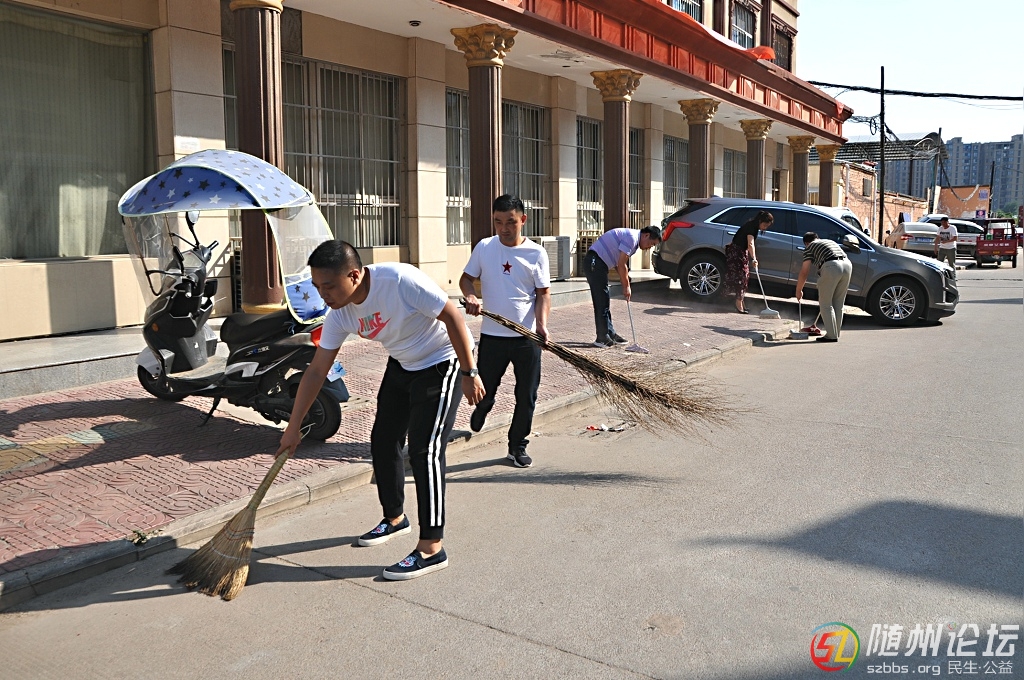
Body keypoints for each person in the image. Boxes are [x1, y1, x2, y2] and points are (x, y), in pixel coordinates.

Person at [275, 240, 485, 580]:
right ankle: (395, 518)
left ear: (354, 276)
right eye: (317, 287)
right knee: (383, 440)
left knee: (425, 450)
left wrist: (469, 372)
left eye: (328, 286)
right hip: (402, 363)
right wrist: (293, 426)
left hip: (441, 360)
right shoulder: (339, 314)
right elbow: (316, 371)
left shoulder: (399, 281)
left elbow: (452, 317)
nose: (323, 295)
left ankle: (432, 547)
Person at [460, 195, 551, 468]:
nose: (504, 228)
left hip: (527, 337)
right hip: (493, 336)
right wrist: (471, 296)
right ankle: (484, 406)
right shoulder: (485, 247)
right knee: (486, 388)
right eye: (498, 222)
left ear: (523, 220)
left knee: (527, 395)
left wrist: (542, 324)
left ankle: (517, 446)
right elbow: (466, 279)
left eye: (510, 222)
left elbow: (543, 294)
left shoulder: (536, 253)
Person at [583, 225, 662, 347]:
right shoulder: (632, 238)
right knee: (601, 301)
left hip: (599, 263)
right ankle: (601, 338)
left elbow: (618, 263)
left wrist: (624, 280)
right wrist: (626, 287)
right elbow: (621, 264)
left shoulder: (634, 241)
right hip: (594, 262)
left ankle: (609, 333)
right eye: (651, 244)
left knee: (604, 300)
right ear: (646, 235)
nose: (649, 248)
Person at [795, 231, 852, 343]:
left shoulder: (809, 247)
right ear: (818, 237)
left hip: (832, 266)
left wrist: (799, 290)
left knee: (825, 304)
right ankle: (835, 333)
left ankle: (831, 335)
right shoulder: (829, 242)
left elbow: (804, 271)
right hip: (847, 265)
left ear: (806, 243)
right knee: (838, 303)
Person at [724, 210, 773, 314]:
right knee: (742, 277)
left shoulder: (752, 226)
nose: (765, 228)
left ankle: (741, 302)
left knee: (744, 277)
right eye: (765, 225)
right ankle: (738, 303)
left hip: (740, 252)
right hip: (737, 253)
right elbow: (750, 244)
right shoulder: (751, 227)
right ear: (760, 221)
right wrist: (754, 258)